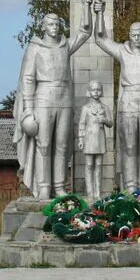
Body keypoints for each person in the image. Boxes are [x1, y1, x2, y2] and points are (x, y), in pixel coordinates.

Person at [13, 11, 91, 199]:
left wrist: (87, 6)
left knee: (62, 145)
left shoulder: (65, 46)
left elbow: (85, 32)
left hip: (64, 98)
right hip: (43, 99)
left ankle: (59, 185)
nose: (54, 27)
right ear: (44, 27)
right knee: (44, 144)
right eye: (51, 24)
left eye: (57, 24)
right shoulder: (35, 48)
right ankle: (44, 186)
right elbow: (28, 79)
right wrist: (29, 110)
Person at [92, 2, 140, 192]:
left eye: (139, 35)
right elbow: (101, 40)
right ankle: (132, 186)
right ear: (129, 35)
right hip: (129, 100)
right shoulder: (122, 51)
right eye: (133, 35)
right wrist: (99, 13)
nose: (136, 38)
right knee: (130, 146)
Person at [78, 80, 113, 201]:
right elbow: (82, 124)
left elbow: (111, 123)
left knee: (98, 165)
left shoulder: (105, 107)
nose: (96, 92)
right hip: (89, 138)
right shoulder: (85, 108)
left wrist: (104, 120)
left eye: (98, 89)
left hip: (100, 138)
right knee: (89, 165)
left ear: (101, 91)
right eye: (93, 90)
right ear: (89, 92)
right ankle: (90, 193)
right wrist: (81, 139)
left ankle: (97, 192)